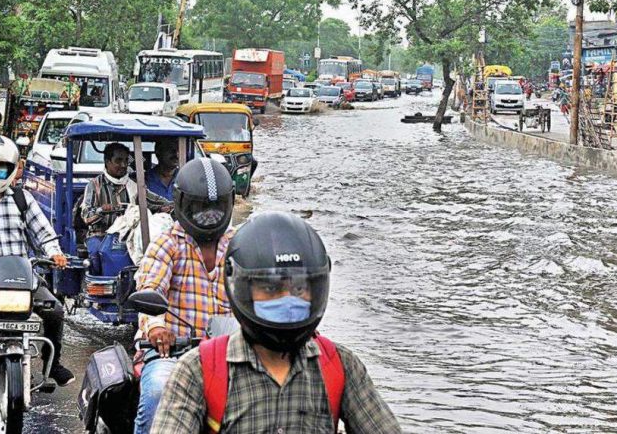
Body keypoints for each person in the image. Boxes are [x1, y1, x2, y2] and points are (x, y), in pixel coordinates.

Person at [150, 212, 402, 434]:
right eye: (270, 288)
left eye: (299, 288)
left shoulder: (340, 365)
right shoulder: (198, 371)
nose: (287, 300)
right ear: (241, 290)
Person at [132, 158, 236, 434]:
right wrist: (156, 326)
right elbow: (150, 287)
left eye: (216, 207)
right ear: (182, 203)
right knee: (157, 392)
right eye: (201, 207)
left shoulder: (239, 245)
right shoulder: (168, 244)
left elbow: (262, 290)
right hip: (172, 354)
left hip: (231, 357)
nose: (209, 215)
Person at [0, 135, 74, 385]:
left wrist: (55, 253)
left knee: (55, 311)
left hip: (17, 275)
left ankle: (52, 364)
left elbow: (43, 233)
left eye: (1, 167)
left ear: (11, 169)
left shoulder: (22, 199)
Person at [81, 142, 172, 253]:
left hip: (130, 235)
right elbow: (86, 216)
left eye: (126, 161)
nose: (123, 165)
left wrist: (169, 206)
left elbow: (155, 200)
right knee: (97, 254)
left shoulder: (133, 185)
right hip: (101, 235)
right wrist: (101, 210)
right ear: (107, 162)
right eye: (118, 161)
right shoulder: (94, 185)